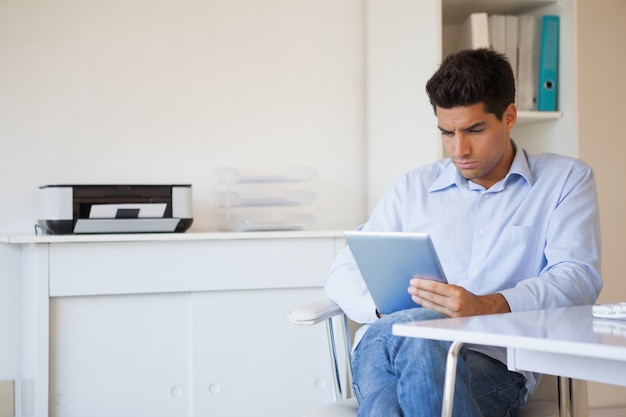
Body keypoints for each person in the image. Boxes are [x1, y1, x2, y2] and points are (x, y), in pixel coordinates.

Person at [324, 48, 602, 417]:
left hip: (489, 358)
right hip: (385, 345)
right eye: (447, 133)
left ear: (509, 117)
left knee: (393, 401)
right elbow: (342, 270)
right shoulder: (412, 188)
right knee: (418, 330)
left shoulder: (565, 180)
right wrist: (383, 309)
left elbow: (577, 276)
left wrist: (487, 305)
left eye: (473, 130)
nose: (459, 149)